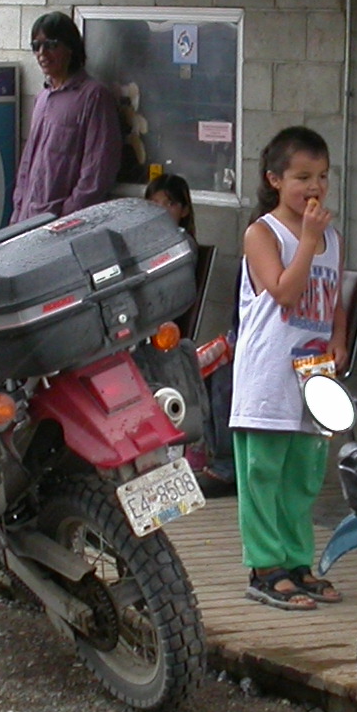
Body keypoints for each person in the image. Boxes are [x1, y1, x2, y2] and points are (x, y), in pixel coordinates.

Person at [230, 128, 349, 610]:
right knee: (264, 471)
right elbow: (283, 290)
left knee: (304, 473)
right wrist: (308, 239)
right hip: (267, 377)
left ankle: (298, 561)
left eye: (322, 176)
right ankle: (264, 566)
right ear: (275, 179)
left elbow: (334, 299)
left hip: (313, 374)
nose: (314, 186)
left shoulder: (331, 238)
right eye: (302, 177)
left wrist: (339, 339)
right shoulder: (262, 232)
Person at [147, 172, 235, 497]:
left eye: (167, 204)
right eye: (153, 203)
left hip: (164, 333)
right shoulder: (145, 242)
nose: (159, 210)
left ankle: (219, 462)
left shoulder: (180, 244)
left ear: (183, 209)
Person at [10, 11, 121, 221]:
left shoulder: (93, 96)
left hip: (62, 224)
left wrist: (66, 216)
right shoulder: (42, 97)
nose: (42, 53)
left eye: (50, 44)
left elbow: (98, 171)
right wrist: (18, 211)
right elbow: (28, 163)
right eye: (36, 46)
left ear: (70, 47)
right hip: (26, 221)